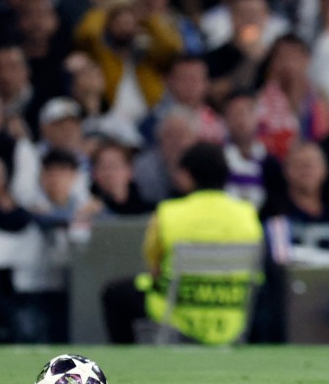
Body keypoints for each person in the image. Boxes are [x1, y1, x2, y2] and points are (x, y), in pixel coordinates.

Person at [101, 142, 263, 345]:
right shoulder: (247, 213)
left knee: (115, 294)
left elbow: (154, 267)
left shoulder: (168, 212)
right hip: (231, 313)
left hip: (179, 311)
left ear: (187, 175)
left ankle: (127, 361)